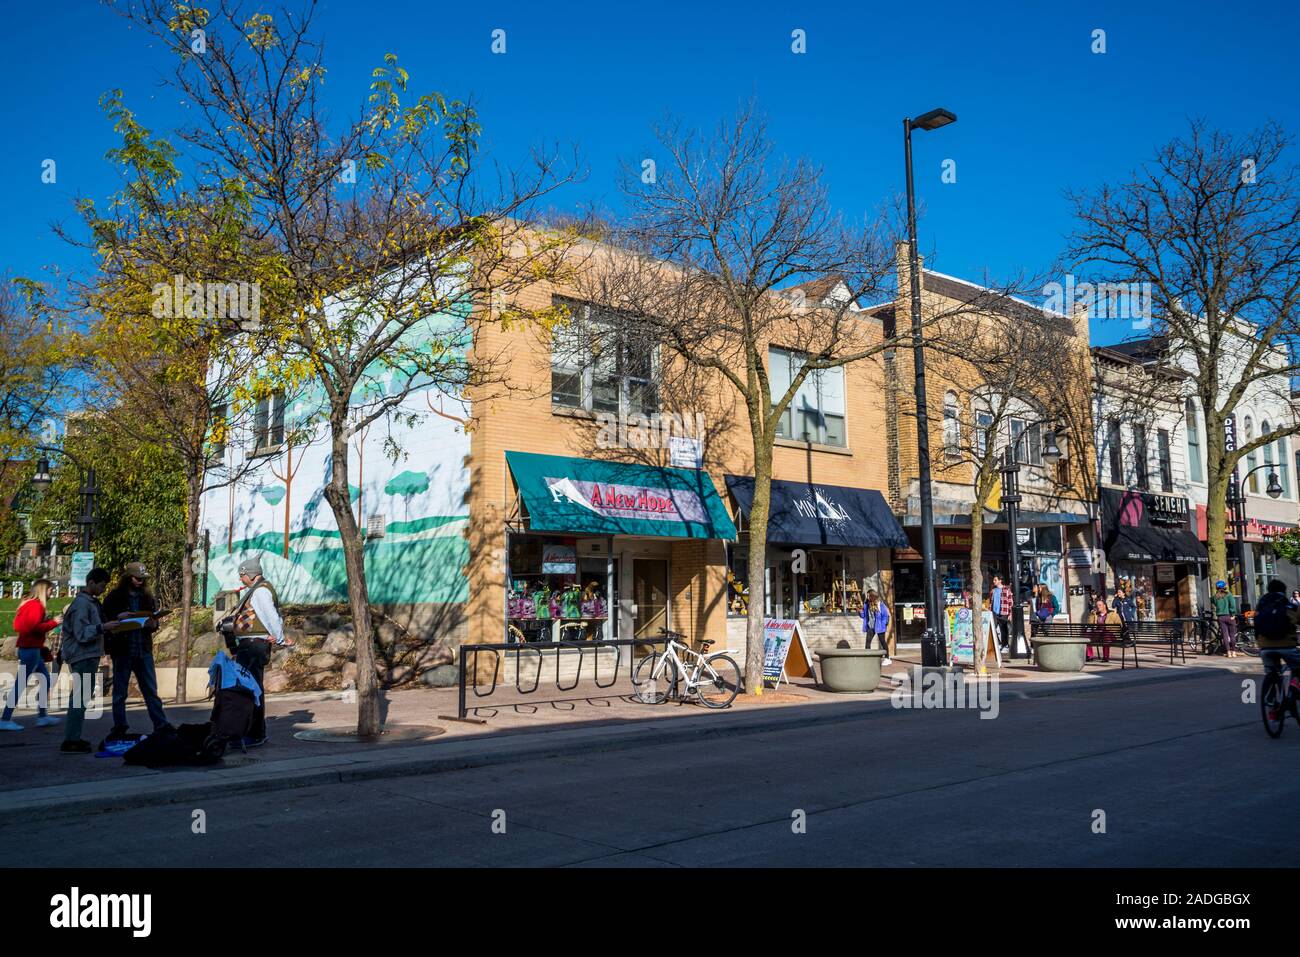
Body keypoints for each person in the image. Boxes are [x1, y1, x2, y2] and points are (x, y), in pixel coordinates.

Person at [226, 557, 289, 747]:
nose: (241, 579)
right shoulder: (259, 589)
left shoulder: (261, 592)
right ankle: (253, 732)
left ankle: (255, 734)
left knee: (251, 689)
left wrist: (278, 638)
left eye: (242, 575)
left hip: (253, 646)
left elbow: (271, 616)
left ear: (250, 574)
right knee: (251, 688)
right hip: (251, 645)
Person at [102, 562, 170, 739]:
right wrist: (119, 617)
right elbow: (105, 620)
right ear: (127, 578)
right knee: (120, 692)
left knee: (150, 690)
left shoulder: (147, 597)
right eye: (137, 578)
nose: (140, 582)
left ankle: (161, 724)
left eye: (142, 579)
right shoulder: (114, 597)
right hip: (123, 649)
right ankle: (120, 726)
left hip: (142, 648)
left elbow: (152, 620)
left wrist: (153, 623)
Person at [0, 579, 63, 731]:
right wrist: (53, 622)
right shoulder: (36, 606)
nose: (52, 594)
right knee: (21, 684)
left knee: (45, 679)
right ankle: (5, 719)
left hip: (29, 648)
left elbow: (17, 625)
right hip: (31, 649)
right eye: (50, 590)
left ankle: (42, 716)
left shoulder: (26, 604)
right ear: (43, 590)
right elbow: (34, 627)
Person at [60, 568, 111, 754]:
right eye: (102, 586)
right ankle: (71, 739)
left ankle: (74, 737)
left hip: (87, 654)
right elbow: (81, 633)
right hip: (82, 654)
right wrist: (102, 627)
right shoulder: (82, 604)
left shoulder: (90, 603)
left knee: (81, 697)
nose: (103, 590)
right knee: (80, 698)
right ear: (91, 583)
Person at [1255, 579, 1300, 717]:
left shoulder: (1261, 605)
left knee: (1272, 672)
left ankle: (1271, 700)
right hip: (1287, 646)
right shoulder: (1289, 605)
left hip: (1265, 647)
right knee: (1298, 668)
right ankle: (1294, 689)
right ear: (1284, 591)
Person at [862, 590, 891, 666]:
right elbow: (864, 615)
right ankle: (868, 658)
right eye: (867, 595)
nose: (867, 597)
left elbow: (885, 616)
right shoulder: (866, 604)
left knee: (882, 642)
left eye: (868, 595)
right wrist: (859, 611)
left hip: (879, 626)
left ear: (872, 596)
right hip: (871, 626)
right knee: (867, 642)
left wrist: (883, 624)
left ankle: (887, 658)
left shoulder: (880, 605)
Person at [1212, 580, 1239, 658]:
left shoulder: (1215, 596)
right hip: (1229, 616)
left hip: (1221, 617)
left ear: (1216, 588)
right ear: (1224, 587)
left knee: (1225, 635)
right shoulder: (1229, 595)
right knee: (1232, 635)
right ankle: (1233, 652)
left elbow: (1214, 603)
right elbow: (1233, 605)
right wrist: (1233, 614)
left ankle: (1228, 653)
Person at [990, 575, 1012, 653]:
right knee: (993, 628)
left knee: (1003, 629)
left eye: (995, 580)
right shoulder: (993, 590)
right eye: (994, 580)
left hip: (1003, 612)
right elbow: (991, 602)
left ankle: (1005, 645)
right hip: (994, 613)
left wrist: (1010, 613)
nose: (994, 581)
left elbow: (1010, 602)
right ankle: (999, 643)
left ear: (1000, 580)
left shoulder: (1006, 590)